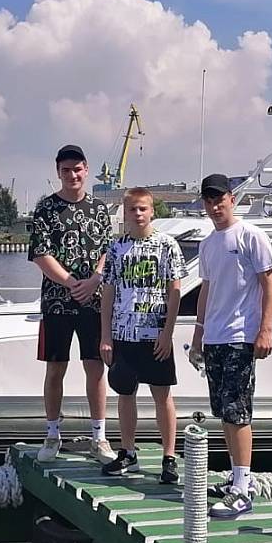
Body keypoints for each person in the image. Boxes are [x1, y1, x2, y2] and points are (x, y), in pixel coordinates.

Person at [188, 173, 272, 519]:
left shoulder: (251, 236)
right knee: (224, 411)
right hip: (214, 337)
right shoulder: (208, 244)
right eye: (209, 201)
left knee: (238, 412)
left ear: (231, 199)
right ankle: (237, 478)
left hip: (241, 336)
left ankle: (242, 489)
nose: (214, 207)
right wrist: (198, 335)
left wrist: (265, 330)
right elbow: (206, 290)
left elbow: (269, 283)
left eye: (219, 200)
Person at [27, 144, 114, 464]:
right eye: (66, 170)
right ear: (58, 172)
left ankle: (99, 437)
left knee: (95, 367)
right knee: (55, 369)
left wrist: (94, 280)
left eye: (77, 169)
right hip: (57, 303)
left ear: (86, 170)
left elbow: (108, 251)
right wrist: (71, 282)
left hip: (94, 301)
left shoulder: (99, 209)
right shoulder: (45, 209)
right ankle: (52, 434)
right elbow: (41, 254)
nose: (72, 175)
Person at [98, 187, 186, 483]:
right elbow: (108, 293)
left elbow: (175, 291)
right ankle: (127, 452)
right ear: (125, 213)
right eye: (132, 209)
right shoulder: (116, 248)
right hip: (124, 333)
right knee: (125, 394)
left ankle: (169, 457)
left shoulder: (167, 245)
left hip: (155, 334)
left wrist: (167, 332)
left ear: (152, 211)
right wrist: (105, 336)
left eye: (143, 208)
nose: (138, 214)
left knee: (162, 394)